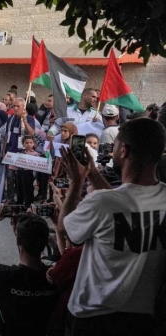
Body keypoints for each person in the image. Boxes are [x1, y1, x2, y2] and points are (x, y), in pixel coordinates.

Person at [58, 118, 166, 336]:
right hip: (144, 318)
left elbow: (65, 227)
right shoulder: (162, 197)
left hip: (92, 316)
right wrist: (93, 174)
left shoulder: (103, 203)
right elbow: (122, 205)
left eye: (115, 145)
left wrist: (77, 183)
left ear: (124, 151)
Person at [3, 98, 36, 203]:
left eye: (18, 106)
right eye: (14, 106)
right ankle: (10, 199)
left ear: (23, 108)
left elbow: (31, 133)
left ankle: (22, 200)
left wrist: (24, 120)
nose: (15, 108)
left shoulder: (30, 118)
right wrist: (3, 151)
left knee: (21, 178)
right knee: (10, 177)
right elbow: (6, 136)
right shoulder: (10, 118)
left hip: (22, 152)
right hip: (11, 152)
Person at [15, 135, 41, 208]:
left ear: (33, 144)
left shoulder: (36, 154)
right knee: (20, 187)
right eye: (26, 143)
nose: (29, 144)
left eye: (30, 142)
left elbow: (39, 164)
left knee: (29, 188)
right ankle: (20, 202)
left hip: (29, 173)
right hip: (20, 172)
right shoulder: (21, 152)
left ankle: (29, 204)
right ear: (23, 144)